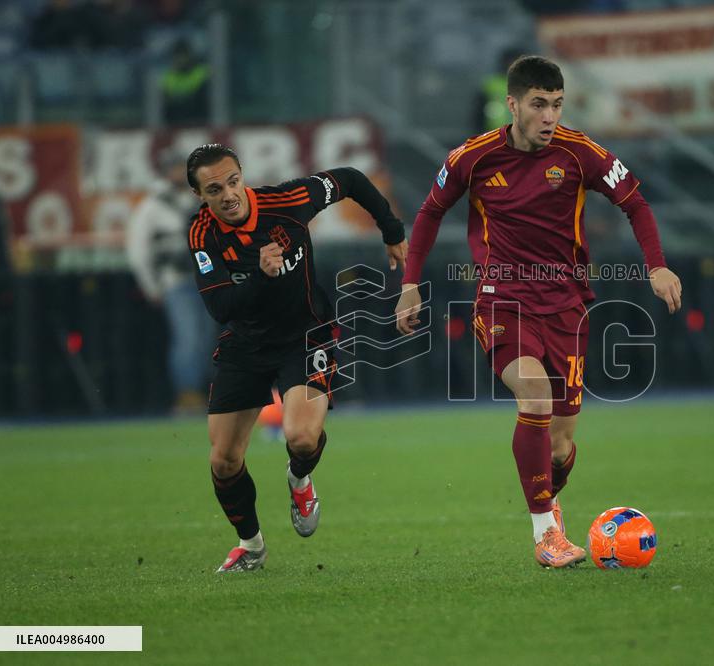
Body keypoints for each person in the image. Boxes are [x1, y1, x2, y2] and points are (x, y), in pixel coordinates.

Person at [394, 56, 681, 568]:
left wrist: (656, 267)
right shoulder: (472, 157)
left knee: (559, 448)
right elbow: (429, 212)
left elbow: (635, 202)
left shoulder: (580, 153)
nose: (549, 116)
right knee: (533, 391)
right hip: (501, 298)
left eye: (556, 105)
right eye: (538, 105)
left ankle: (549, 498)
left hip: (568, 305)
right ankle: (546, 534)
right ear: (513, 104)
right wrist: (410, 283)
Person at [186, 144, 407, 572]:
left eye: (233, 181)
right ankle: (251, 547)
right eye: (215, 189)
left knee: (302, 438)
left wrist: (391, 228)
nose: (229, 194)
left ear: (241, 175)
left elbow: (350, 178)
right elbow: (220, 307)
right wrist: (260, 277)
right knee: (224, 460)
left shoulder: (287, 201)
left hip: (306, 336)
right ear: (201, 196)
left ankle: (299, 478)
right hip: (245, 345)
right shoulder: (201, 234)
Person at [127, 147, 213, 413]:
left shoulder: (202, 198)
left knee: (207, 339)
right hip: (176, 280)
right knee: (187, 338)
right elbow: (138, 249)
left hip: (208, 279)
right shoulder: (153, 205)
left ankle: (204, 390)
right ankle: (187, 394)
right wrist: (151, 285)